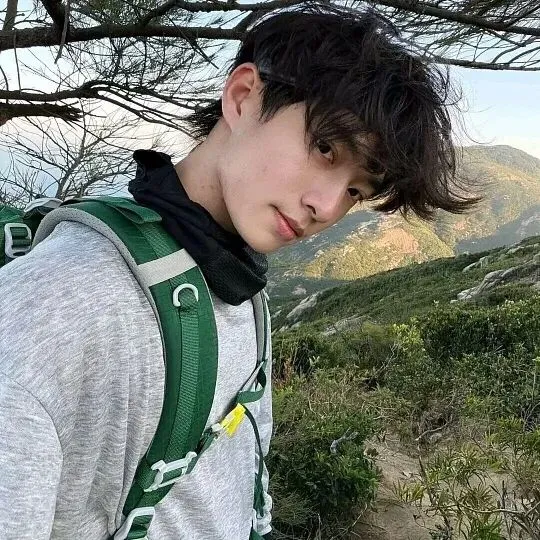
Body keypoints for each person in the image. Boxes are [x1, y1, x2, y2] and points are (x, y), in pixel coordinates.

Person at [0, 5, 477, 539]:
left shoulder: (238, 283)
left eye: (355, 190)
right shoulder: (55, 311)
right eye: (325, 148)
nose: (326, 206)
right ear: (243, 96)